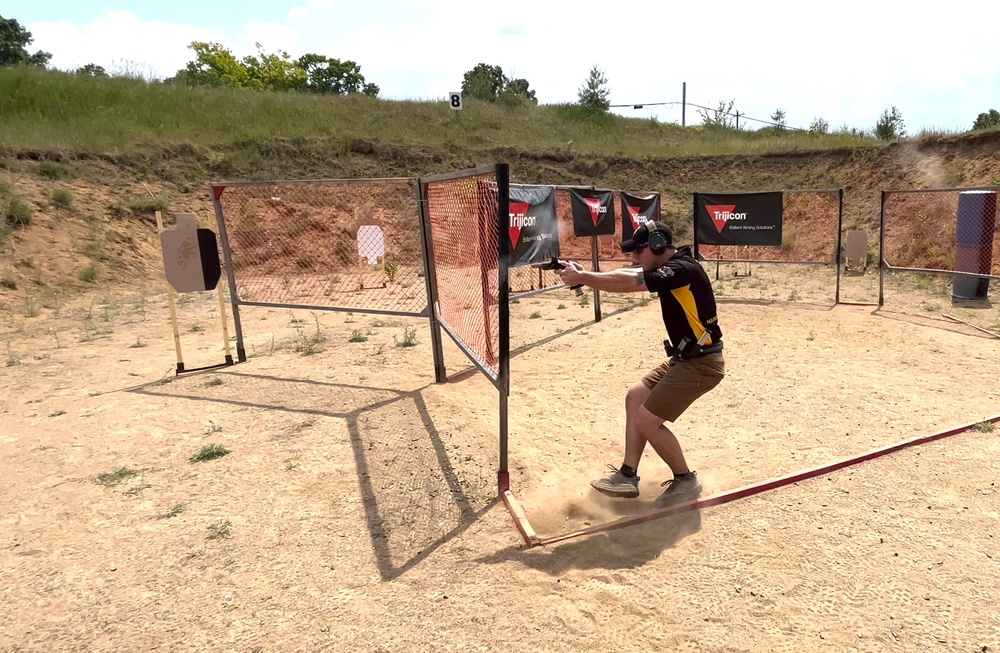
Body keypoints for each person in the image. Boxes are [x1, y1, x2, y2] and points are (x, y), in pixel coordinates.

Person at [554, 220, 725, 507]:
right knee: (636, 396)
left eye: (639, 251)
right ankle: (627, 475)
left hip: (702, 364)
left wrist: (583, 278)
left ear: (658, 245)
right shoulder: (672, 267)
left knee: (646, 420)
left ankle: (686, 480)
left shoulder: (684, 269)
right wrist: (584, 274)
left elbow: (632, 282)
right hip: (686, 359)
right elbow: (632, 272)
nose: (634, 257)